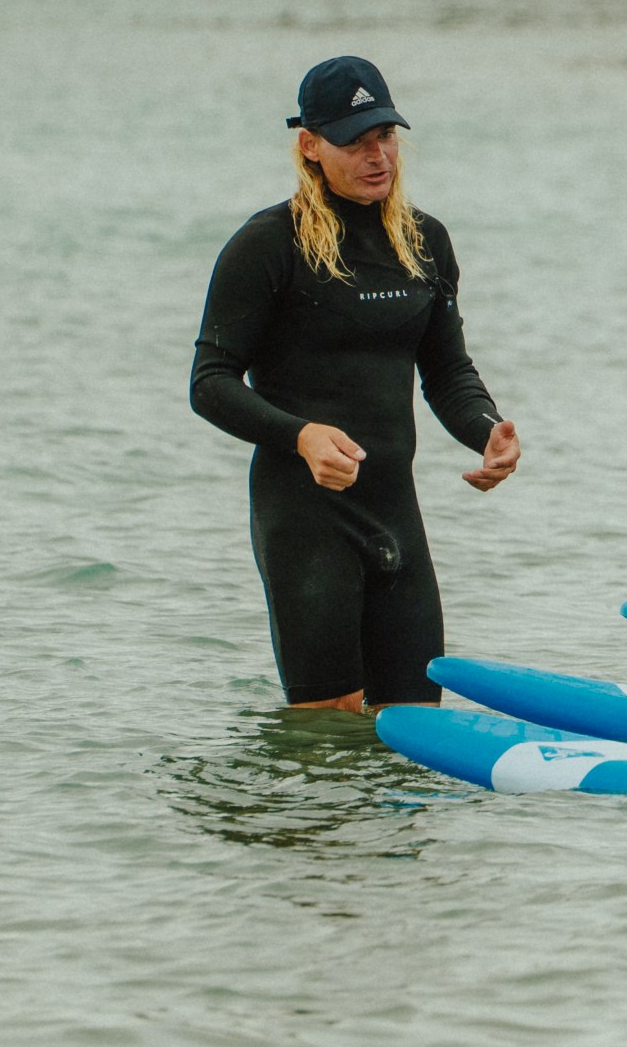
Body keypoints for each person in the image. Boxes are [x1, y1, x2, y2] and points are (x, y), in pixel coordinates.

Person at [190, 56, 520, 713]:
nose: (377, 157)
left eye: (385, 137)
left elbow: (448, 371)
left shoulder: (424, 242)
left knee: (416, 725)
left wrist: (487, 432)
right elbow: (210, 381)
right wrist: (302, 435)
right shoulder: (268, 245)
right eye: (355, 142)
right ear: (310, 146)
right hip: (305, 520)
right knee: (326, 737)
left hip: (395, 515)